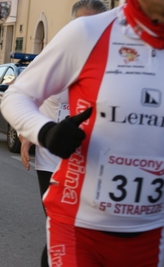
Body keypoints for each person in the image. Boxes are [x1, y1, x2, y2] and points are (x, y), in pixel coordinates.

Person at [1, 0, 164, 266]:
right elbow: (17, 95)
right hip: (77, 227)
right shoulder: (88, 31)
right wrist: (45, 131)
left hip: (148, 234)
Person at [18, 1, 107, 266]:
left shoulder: (116, 64)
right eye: (82, 25)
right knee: (59, 227)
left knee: (87, 233)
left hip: (96, 163)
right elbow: (24, 97)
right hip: (53, 162)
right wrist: (27, 135)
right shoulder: (53, 60)